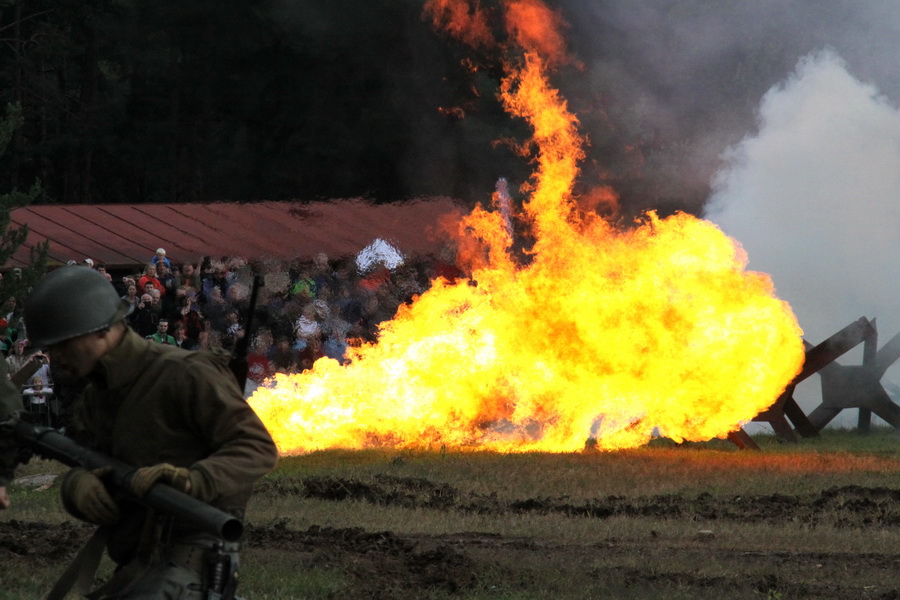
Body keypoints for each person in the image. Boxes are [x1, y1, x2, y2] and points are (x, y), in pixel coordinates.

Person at [23, 266, 278, 599]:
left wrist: (192, 479)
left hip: (192, 559)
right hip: (135, 561)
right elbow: (91, 462)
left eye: (64, 344)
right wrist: (77, 486)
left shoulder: (184, 374)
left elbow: (257, 447)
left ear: (102, 331)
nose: (54, 357)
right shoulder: (93, 400)